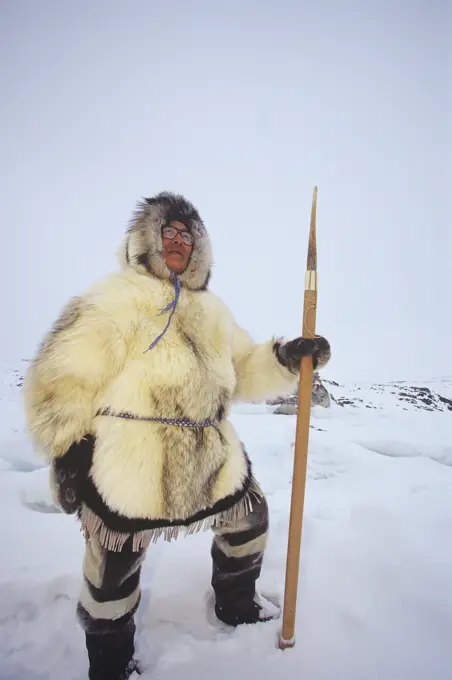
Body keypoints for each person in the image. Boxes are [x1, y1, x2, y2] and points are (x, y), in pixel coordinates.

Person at [24, 192, 331, 680]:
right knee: (113, 570)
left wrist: (285, 358)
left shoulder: (214, 312)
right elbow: (60, 381)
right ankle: (109, 663)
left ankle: (236, 603)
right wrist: (69, 453)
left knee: (249, 520)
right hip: (132, 464)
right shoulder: (111, 300)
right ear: (145, 240)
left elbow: (243, 368)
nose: (178, 241)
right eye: (167, 231)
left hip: (209, 455)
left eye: (187, 235)